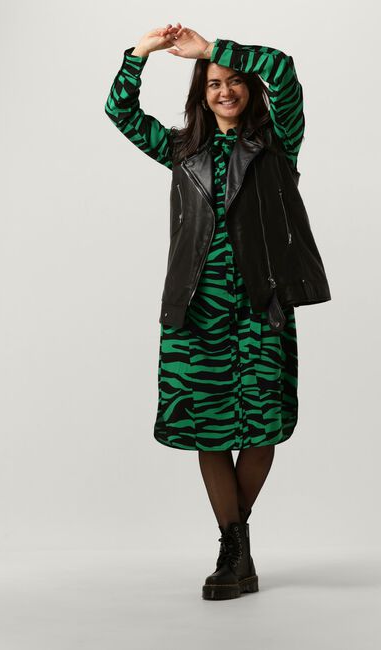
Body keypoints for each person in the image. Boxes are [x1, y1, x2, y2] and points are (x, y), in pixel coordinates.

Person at [105, 23, 331, 600]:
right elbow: (120, 111)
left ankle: (234, 547)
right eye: (212, 83)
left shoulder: (278, 141)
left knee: (261, 425)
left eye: (233, 81)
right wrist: (140, 53)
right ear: (200, 96)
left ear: (248, 89)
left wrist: (209, 50)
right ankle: (237, 550)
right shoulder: (182, 149)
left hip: (260, 304)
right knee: (207, 428)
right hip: (197, 308)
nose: (225, 90)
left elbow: (283, 69)